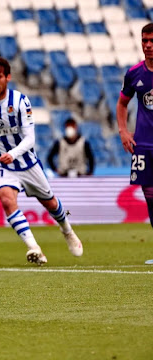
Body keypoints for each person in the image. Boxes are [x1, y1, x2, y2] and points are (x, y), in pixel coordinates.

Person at [0, 56, 83, 265]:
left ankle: (67, 230)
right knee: (6, 199)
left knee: (50, 202)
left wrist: (13, 153)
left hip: (26, 163)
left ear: (7, 77)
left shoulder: (20, 101)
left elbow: (30, 138)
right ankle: (34, 248)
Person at [116, 22, 153, 264]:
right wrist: (123, 131)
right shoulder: (134, 73)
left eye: (152, 41)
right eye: (144, 41)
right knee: (150, 196)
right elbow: (122, 103)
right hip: (143, 146)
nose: (148, 46)